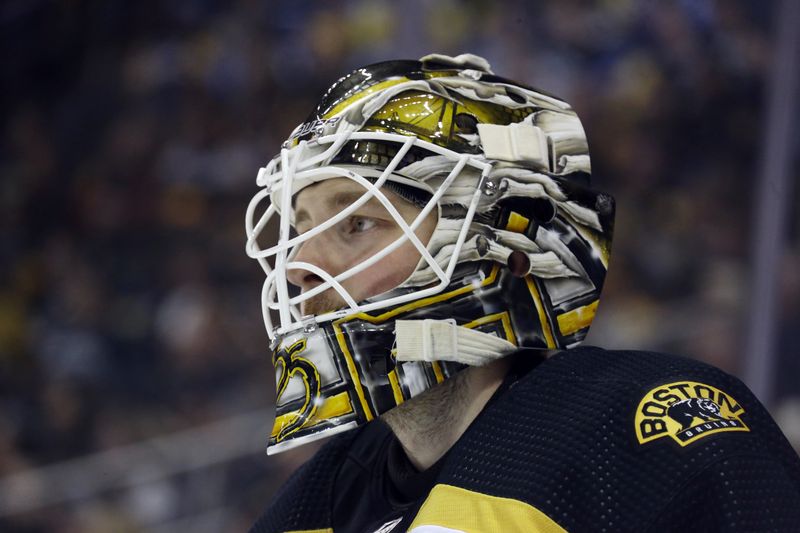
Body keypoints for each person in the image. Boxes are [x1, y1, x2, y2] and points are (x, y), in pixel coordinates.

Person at [244, 54, 800, 532]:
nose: (299, 265)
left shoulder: (640, 438)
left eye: (358, 223)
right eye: (301, 229)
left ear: (510, 247)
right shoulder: (307, 507)